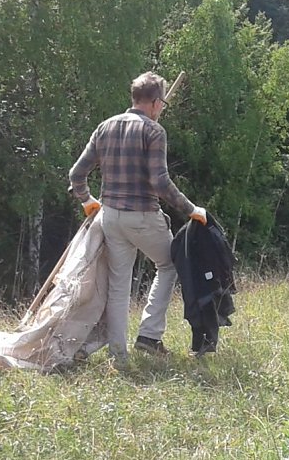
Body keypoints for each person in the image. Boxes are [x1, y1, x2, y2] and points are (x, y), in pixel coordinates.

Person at [68, 71, 206, 363]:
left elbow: (76, 174)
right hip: (142, 215)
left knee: (119, 286)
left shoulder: (105, 127)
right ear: (156, 102)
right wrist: (191, 209)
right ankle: (149, 336)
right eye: (162, 104)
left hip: (110, 217)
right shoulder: (154, 131)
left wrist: (87, 201)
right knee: (169, 265)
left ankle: (119, 356)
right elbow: (160, 182)